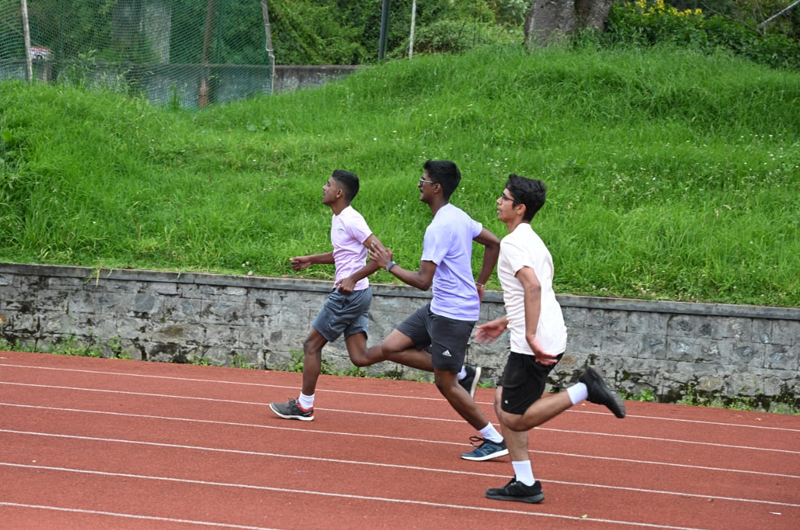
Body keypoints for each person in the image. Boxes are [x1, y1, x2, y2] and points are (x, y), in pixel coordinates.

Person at [474, 175, 626, 504]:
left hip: (536, 340)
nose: (498, 202)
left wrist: (527, 334)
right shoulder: (533, 241)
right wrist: (505, 321)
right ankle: (525, 482)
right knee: (503, 400)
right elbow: (530, 293)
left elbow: (533, 287)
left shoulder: (514, 244)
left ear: (520, 208)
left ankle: (585, 388)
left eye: (504, 198)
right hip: (546, 332)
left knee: (513, 416)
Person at [366, 160, 508, 462]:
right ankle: (461, 371)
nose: (419, 184)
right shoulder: (458, 216)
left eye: (424, 179)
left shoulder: (440, 227)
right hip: (439, 308)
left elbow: (421, 281)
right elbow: (493, 243)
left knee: (444, 383)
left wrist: (388, 265)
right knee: (391, 347)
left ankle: (494, 439)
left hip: (453, 314)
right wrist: (480, 282)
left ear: (436, 188)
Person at [270, 169, 384, 422]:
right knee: (360, 357)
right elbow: (343, 254)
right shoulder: (339, 218)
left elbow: (382, 256)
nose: (324, 187)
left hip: (349, 294)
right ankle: (414, 351)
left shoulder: (352, 219)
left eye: (328, 184)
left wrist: (352, 278)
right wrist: (312, 259)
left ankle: (304, 406)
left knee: (311, 345)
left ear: (339, 193)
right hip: (359, 293)